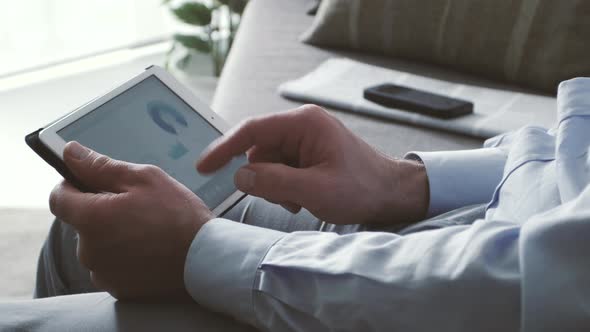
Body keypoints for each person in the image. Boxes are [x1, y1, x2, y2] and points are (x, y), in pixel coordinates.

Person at [2, 77, 589, 331]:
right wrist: (403, 185)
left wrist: (198, 250)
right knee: (85, 229)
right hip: (468, 241)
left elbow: (522, 290)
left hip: (460, 302)